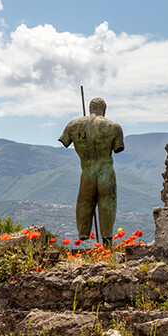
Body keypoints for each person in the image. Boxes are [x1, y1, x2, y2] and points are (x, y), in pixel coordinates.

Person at [59, 97, 124, 245]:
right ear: (104, 110)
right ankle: (107, 239)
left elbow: (65, 141)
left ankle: (83, 234)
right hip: (106, 171)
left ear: (90, 109)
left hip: (87, 172)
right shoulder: (114, 127)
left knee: (84, 201)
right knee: (108, 201)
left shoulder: (73, 126)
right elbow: (117, 148)